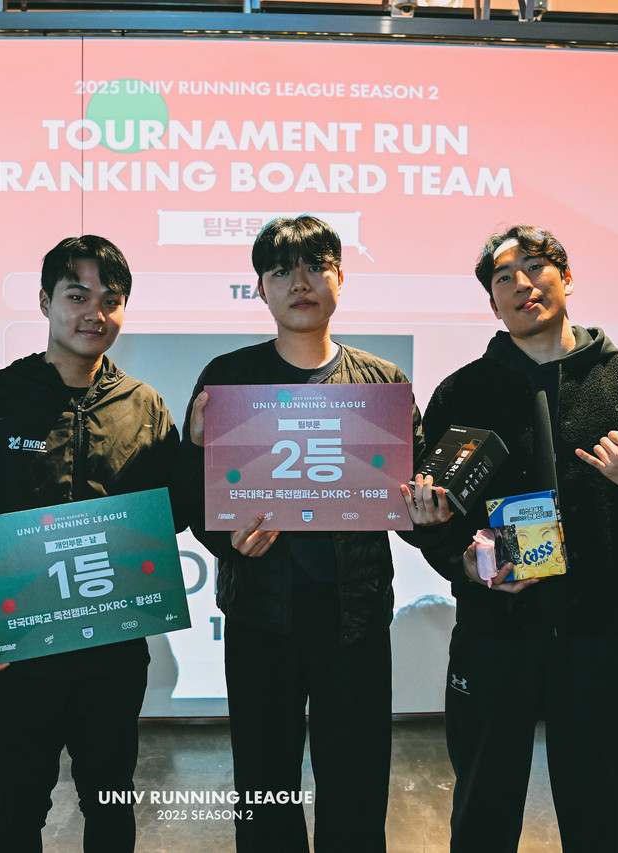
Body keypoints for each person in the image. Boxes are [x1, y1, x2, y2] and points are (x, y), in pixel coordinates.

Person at [415, 224, 618, 852]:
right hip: (492, 637)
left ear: (567, 278)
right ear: (493, 303)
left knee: (609, 816)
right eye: (503, 277)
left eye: (535, 267)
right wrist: (463, 561)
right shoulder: (463, 392)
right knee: (482, 814)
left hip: (597, 639)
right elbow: (430, 516)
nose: (521, 284)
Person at [177, 215, 451, 852]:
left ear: (340, 278)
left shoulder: (382, 383)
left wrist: (430, 516)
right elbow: (193, 498)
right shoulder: (228, 379)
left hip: (354, 616)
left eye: (316, 266)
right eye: (282, 271)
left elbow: (407, 506)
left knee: (355, 780)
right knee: (263, 781)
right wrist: (211, 501)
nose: (300, 283)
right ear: (261, 289)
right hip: (260, 617)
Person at [0, 235, 185, 853]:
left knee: (111, 802)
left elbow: (170, 517)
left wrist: (203, 447)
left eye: (110, 299)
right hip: (14, 649)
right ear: (45, 302)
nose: (95, 313)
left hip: (112, 651)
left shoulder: (143, 407)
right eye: (77, 296)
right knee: (18, 807)